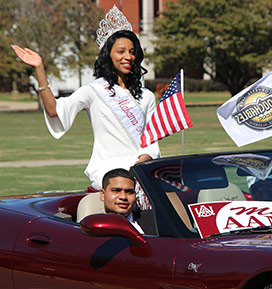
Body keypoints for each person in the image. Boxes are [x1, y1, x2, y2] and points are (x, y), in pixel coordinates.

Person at [10, 5, 160, 190]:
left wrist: (140, 164)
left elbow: (152, 141)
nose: (128, 56)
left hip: (141, 174)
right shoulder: (94, 90)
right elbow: (54, 110)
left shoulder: (147, 96)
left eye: (132, 51)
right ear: (108, 55)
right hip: (107, 175)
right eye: (121, 52)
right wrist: (39, 69)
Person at [100, 168, 144, 233]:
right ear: (103, 195)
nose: (123, 197)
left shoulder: (154, 222)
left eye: (129, 192)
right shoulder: (93, 228)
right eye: (116, 191)